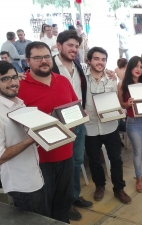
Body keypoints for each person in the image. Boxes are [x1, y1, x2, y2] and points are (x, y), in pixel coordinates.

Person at [18, 41, 77, 223]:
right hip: (39, 158)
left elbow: (74, 106)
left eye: (46, 57)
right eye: (37, 58)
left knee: (64, 201)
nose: (43, 61)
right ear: (27, 61)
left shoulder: (63, 81)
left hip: (66, 152)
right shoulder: (19, 86)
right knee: (43, 206)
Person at [51, 30, 92, 221]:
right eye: (70, 45)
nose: (74, 49)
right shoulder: (49, 65)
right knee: (62, 166)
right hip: (59, 124)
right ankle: (63, 204)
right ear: (59, 46)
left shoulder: (77, 64)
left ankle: (74, 197)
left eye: (76, 46)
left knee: (76, 162)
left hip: (78, 120)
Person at [84, 47, 131, 204]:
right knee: (94, 160)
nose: (100, 62)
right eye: (96, 59)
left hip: (110, 125)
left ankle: (119, 188)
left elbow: (117, 100)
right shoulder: (82, 77)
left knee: (116, 158)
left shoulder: (112, 78)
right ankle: (100, 185)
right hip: (90, 126)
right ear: (89, 60)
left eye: (103, 59)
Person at [0, 61, 48, 216]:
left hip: (34, 174)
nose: (13, 82)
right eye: (5, 79)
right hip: (20, 183)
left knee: (42, 216)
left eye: (14, 77)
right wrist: (31, 139)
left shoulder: (19, 104)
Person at [118, 56, 142, 193]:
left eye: (141, 67)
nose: (138, 69)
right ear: (130, 67)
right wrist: (127, 104)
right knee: (137, 152)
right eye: (136, 66)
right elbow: (121, 104)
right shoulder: (122, 84)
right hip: (133, 122)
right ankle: (139, 178)